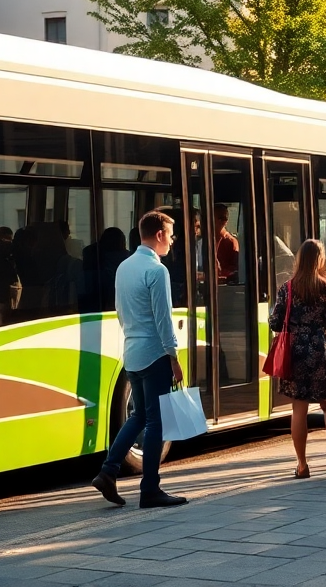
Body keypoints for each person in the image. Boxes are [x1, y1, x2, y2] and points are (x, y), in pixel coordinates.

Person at [91, 210, 188, 509]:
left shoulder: (124, 267)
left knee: (139, 417)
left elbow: (121, 312)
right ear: (159, 235)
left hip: (131, 352)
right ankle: (150, 490)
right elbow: (164, 319)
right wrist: (174, 356)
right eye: (171, 235)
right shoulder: (157, 272)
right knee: (156, 421)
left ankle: (108, 471)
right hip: (155, 354)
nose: (172, 241)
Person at [268, 239, 326, 479]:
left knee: (299, 408)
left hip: (296, 350)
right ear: (320, 259)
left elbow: (275, 322)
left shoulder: (288, 288)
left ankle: (302, 465)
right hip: (322, 347)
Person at [212, 203, 239, 283]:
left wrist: (219, 272)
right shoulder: (204, 241)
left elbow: (235, 270)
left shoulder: (231, 242)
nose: (222, 222)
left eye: (224, 219)